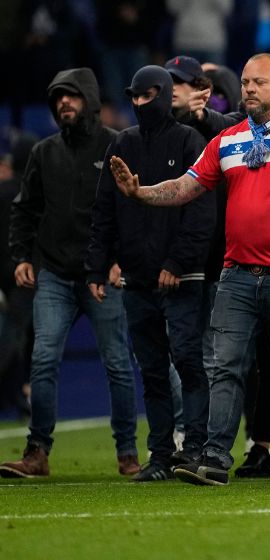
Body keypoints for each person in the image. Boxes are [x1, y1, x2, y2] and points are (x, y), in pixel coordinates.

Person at [110, 53, 270, 486]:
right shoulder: (228, 140)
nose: (248, 89)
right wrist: (140, 193)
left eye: (258, 83)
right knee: (226, 366)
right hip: (236, 274)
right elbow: (186, 186)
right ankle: (215, 457)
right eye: (246, 82)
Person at [1, 69, 139, 480]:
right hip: (56, 274)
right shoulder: (44, 153)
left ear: (90, 101)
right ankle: (36, 452)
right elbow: (25, 209)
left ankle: (128, 453)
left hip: (100, 275)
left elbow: (131, 209)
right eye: (58, 97)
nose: (64, 103)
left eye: (72, 96)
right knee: (43, 360)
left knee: (116, 362)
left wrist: (119, 261)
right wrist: (21, 257)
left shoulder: (117, 145)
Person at [84, 66, 214, 482]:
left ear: (164, 94)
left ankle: (192, 449)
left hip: (181, 278)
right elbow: (104, 210)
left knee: (189, 362)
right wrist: (98, 265)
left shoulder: (189, 140)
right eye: (135, 96)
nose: (140, 103)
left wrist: (178, 262)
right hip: (138, 278)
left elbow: (201, 211)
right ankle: (160, 455)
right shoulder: (123, 143)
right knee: (155, 371)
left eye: (148, 95)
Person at [96, 0, 163, 104]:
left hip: (138, 49)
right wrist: (119, 18)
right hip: (113, 51)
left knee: (139, 93)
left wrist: (136, 19)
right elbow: (101, 25)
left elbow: (153, 24)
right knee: (114, 94)